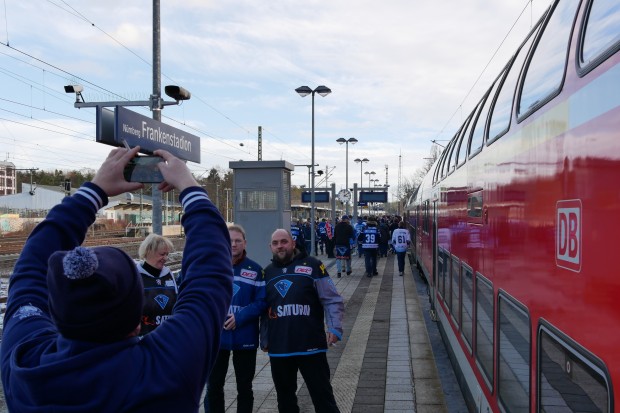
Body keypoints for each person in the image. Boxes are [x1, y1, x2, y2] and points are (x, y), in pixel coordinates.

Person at [0, 146, 233, 412]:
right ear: (136, 320)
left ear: (55, 311)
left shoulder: (25, 364)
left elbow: (30, 268)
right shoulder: (165, 369)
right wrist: (190, 187)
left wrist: (93, 191)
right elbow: (209, 279)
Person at [261, 229, 344, 413]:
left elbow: (331, 299)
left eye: (284, 241)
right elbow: (263, 310)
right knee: (285, 402)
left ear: (292, 243)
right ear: (270, 247)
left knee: (323, 399)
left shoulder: (313, 265)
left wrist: (335, 327)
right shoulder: (267, 273)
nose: (280, 246)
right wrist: (265, 339)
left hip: (311, 347)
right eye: (275, 243)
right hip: (280, 350)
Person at [205, 224, 266, 413]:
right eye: (230, 240)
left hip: (245, 336)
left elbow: (262, 301)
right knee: (214, 386)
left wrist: (240, 317)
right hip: (216, 338)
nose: (234, 244)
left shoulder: (256, 270)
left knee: (244, 387)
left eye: (238, 240)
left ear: (245, 243)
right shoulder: (211, 268)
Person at [137, 233, 178, 334]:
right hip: (144, 339)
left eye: (167, 254)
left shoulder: (169, 274)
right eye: (162, 254)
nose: (165, 258)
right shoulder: (136, 276)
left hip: (168, 336)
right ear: (149, 251)